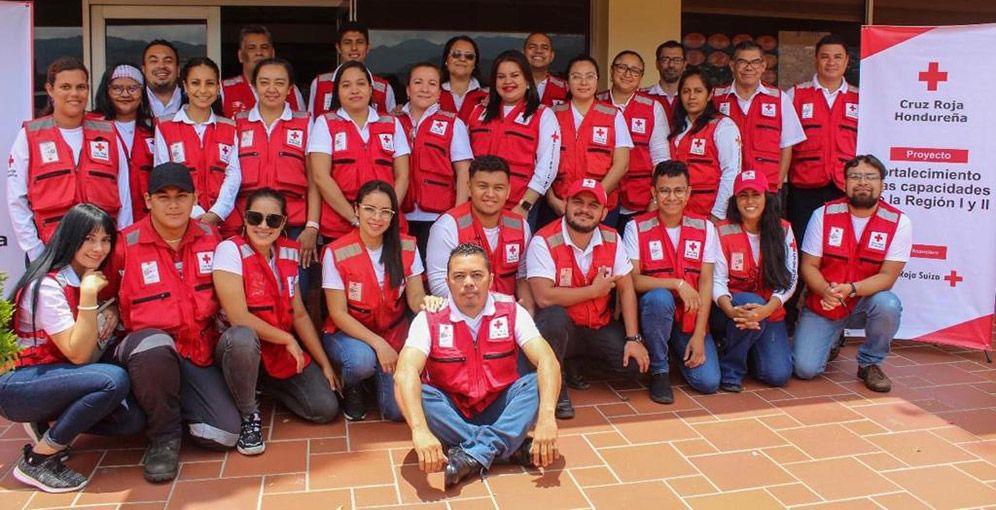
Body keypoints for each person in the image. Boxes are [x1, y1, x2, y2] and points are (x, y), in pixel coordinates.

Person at [109, 163, 264, 483]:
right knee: (155, 346)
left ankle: (168, 405)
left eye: (182, 196)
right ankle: (163, 438)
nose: (174, 204)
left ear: (194, 199)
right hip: (148, 352)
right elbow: (107, 299)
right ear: (148, 200)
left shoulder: (210, 236)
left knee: (222, 434)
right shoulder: (126, 243)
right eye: (163, 197)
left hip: (198, 351)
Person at [1, 204, 144, 493]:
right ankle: (39, 458)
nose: (99, 248)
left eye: (105, 240)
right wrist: (90, 295)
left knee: (131, 421)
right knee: (112, 380)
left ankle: (47, 424)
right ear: (70, 238)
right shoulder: (49, 285)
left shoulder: (83, 276)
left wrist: (111, 304)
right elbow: (78, 353)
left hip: (54, 375)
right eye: (89, 239)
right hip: (19, 384)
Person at [394, 242, 561, 488]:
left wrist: (547, 418)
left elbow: (547, 359)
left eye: (477, 275)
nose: (468, 282)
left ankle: (471, 454)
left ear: (490, 279)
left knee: (536, 382)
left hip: (499, 406)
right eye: (459, 276)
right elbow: (405, 371)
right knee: (416, 391)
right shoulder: (429, 318)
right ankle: (506, 448)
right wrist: (419, 430)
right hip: (453, 412)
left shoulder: (511, 311)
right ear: (448, 281)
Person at [212, 188, 340, 430]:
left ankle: (265, 384)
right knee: (243, 337)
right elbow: (238, 317)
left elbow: (299, 313)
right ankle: (248, 411)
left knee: (325, 408)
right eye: (254, 217)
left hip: (278, 351)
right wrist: (287, 338)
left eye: (272, 219)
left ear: (283, 223)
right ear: (245, 219)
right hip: (240, 350)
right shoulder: (230, 251)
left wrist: (324, 363)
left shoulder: (288, 252)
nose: (263, 226)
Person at [529, 178, 649, 419]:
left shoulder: (613, 239)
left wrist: (633, 338)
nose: (584, 209)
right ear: (565, 204)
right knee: (552, 317)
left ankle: (576, 363)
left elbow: (626, 288)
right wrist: (594, 291)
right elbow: (543, 297)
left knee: (635, 368)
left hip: (597, 326)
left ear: (604, 213)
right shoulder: (543, 240)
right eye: (578, 202)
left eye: (593, 205)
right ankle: (556, 386)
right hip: (563, 328)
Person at [794, 155, 912, 392]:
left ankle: (870, 363)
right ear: (845, 182)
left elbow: (888, 276)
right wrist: (826, 291)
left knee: (888, 304)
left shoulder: (899, 222)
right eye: (855, 176)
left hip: (863, 303)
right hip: (825, 301)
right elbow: (809, 265)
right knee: (805, 370)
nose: (862, 182)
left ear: (883, 184)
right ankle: (833, 338)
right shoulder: (823, 214)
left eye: (870, 177)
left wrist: (852, 289)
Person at [7, 57, 132, 261]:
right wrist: (35, 250)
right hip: (48, 251)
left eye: (80, 87)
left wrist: (119, 249)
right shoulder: (30, 136)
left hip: (100, 254)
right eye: (65, 86)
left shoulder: (108, 134)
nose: (74, 94)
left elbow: (123, 197)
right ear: (49, 89)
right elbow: (17, 200)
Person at [321, 181, 427, 422]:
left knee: (397, 411)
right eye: (369, 209)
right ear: (356, 209)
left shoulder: (407, 246)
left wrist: (429, 305)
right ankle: (354, 385)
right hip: (348, 335)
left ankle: (377, 376)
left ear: (393, 215)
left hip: (393, 333)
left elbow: (415, 298)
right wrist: (379, 344)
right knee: (361, 361)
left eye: (385, 212)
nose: (377, 217)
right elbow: (338, 314)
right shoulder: (336, 252)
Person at [625, 161, 721, 402]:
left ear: (688, 193)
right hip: (655, 315)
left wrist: (699, 335)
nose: (672, 197)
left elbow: (707, 282)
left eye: (679, 190)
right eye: (665, 190)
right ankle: (659, 369)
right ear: (653, 193)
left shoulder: (706, 228)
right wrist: (676, 283)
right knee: (659, 298)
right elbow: (633, 280)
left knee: (708, 382)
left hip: (690, 320)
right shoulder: (635, 227)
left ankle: (679, 349)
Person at [233, 57, 320, 294]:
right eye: (264, 82)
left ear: (290, 88)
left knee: (294, 290)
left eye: (279, 83)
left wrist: (312, 226)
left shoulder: (306, 123)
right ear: (254, 86)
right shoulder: (238, 123)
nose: (272, 89)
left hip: (293, 227)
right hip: (249, 224)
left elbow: (315, 180)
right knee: (250, 289)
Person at [711, 170, 796, 391]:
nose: (750, 201)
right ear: (735, 200)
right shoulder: (722, 230)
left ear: (766, 198)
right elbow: (717, 279)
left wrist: (767, 309)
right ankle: (731, 370)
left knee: (777, 375)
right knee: (748, 301)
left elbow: (791, 277)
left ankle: (744, 349)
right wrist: (729, 309)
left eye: (755, 195)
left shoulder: (783, 229)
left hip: (769, 309)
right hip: (730, 309)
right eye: (743, 195)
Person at [308, 61, 411, 241]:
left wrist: (384, 214)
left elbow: (403, 175)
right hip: (340, 227)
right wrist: (356, 219)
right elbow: (320, 176)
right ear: (337, 92)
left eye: (361, 84)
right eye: (346, 85)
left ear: (371, 90)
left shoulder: (391, 123)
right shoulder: (325, 123)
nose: (354, 90)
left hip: (387, 226)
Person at [467, 50, 560, 229]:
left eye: (515, 75)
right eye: (501, 77)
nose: (507, 81)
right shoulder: (478, 112)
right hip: (477, 208)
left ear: (526, 81)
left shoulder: (543, 115)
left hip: (519, 207)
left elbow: (548, 165)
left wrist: (525, 205)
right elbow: (465, 162)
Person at [427, 156, 532, 309]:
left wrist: (527, 309)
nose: (490, 194)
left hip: (510, 315)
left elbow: (522, 276)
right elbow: (438, 286)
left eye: (498, 188)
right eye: (482, 186)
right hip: (462, 314)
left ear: (508, 191)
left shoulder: (521, 226)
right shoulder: (447, 226)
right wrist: (493, 305)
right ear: (469, 187)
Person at [785, 34, 857, 255]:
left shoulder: (860, 98)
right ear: (816, 60)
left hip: (843, 186)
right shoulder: (795, 95)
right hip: (804, 187)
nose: (831, 62)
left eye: (837, 57)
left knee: (837, 245)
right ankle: (798, 290)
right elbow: (784, 144)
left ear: (846, 62)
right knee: (800, 244)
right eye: (825, 56)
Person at [154, 57, 242, 237]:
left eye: (209, 83)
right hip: (182, 222)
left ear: (218, 88)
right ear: (185, 87)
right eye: (195, 83)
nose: (203, 90)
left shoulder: (230, 127)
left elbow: (234, 175)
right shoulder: (165, 126)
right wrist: (195, 213)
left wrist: (217, 212)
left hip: (225, 223)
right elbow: (163, 175)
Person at [547, 55, 632, 228]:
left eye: (589, 76)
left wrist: (595, 197)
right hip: (560, 204)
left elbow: (622, 164)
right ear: (567, 82)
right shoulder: (552, 115)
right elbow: (540, 163)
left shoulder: (613, 115)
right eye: (576, 76)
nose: (583, 82)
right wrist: (552, 200)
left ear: (598, 80)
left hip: (601, 206)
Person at [398, 62, 474, 257]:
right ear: (408, 89)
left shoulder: (452, 123)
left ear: (440, 92)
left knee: (435, 277)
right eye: (418, 82)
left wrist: (456, 216)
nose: (424, 89)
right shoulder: (392, 122)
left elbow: (464, 171)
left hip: (439, 216)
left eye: (432, 84)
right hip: (397, 215)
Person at [713, 40, 805, 192]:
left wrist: (778, 183)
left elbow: (787, 145)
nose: (749, 68)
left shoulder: (780, 99)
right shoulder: (716, 98)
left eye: (755, 62)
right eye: (742, 62)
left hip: (766, 188)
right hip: (725, 186)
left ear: (763, 66)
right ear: (732, 65)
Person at [596, 51, 670, 233]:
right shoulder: (595, 102)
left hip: (641, 199)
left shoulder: (652, 107)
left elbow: (661, 159)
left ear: (641, 77)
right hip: (601, 197)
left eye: (635, 70)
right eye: (622, 67)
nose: (628, 74)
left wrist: (656, 200)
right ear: (612, 70)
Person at [668, 68, 742, 220]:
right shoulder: (677, 128)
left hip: (709, 214)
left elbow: (731, 173)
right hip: (677, 213)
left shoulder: (723, 126)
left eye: (698, 91)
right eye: (686, 91)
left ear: (709, 95)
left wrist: (718, 214)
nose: (692, 97)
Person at [94, 63, 156, 222]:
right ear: (106, 91)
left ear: (143, 92)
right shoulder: (92, 128)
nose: (125, 94)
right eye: (117, 88)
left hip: (144, 223)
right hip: (102, 225)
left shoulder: (154, 130)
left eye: (133, 88)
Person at [308, 21, 396, 117]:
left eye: (359, 42)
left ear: (368, 47)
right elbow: (310, 123)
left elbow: (391, 125)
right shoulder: (319, 84)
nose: (354, 48)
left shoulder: (384, 88)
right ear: (338, 48)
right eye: (347, 43)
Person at [221, 25, 306, 118]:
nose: (259, 53)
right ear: (240, 55)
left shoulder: (291, 90)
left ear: (273, 54)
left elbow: (303, 126)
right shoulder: (224, 89)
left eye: (264, 47)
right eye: (251, 48)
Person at [438, 35, 489, 123]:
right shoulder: (433, 93)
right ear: (446, 60)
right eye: (456, 54)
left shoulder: (488, 95)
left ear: (474, 64)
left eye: (469, 56)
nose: (462, 59)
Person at [642, 40, 687, 121]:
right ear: (657, 64)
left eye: (677, 60)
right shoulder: (642, 97)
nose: (671, 65)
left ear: (685, 64)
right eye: (665, 59)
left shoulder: (693, 98)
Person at [523, 32, 568, 106]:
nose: (538, 51)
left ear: (552, 56)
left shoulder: (565, 88)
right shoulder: (512, 85)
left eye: (544, 48)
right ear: (524, 53)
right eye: (532, 47)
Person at [142, 40, 183, 117]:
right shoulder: (133, 104)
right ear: (143, 70)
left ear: (178, 70)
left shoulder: (194, 101)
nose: (161, 66)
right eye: (154, 61)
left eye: (168, 61)